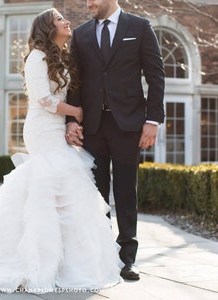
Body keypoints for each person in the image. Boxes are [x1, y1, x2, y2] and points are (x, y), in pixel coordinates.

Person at [0, 8, 123, 294]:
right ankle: (28, 260)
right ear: (48, 27)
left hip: (57, 127)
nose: (66, 21)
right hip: (42, 129)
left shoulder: (61, 57)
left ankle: (65, 264)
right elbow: (43, 99)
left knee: (65, 191)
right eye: (59, 19)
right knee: (47, 187)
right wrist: (76, 112)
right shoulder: (37, 56)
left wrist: (69, 121)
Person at [66, 0, 165, 281]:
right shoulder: (81, 34)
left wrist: (152, 120)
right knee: (96, 193)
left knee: (125, 191)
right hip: (93, 125)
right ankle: (102, 254)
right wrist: (72, 120)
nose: (88, 4)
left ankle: (127, 258)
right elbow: (75, 80)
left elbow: (156, 75)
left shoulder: (140, 27)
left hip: (128, 124)